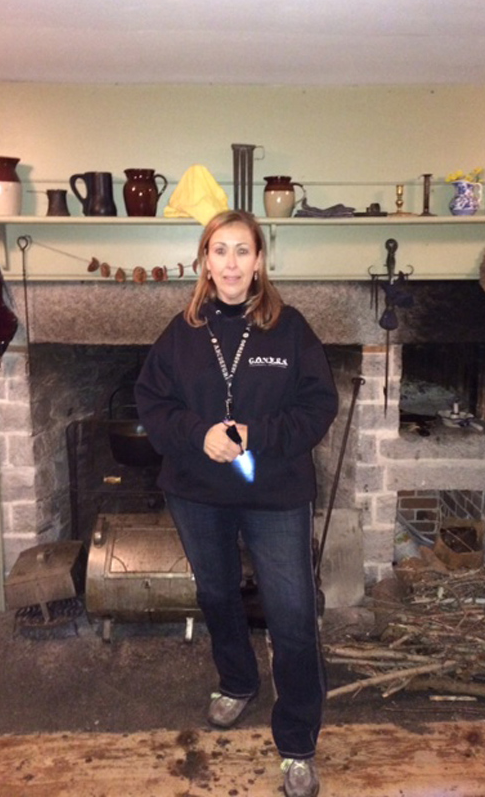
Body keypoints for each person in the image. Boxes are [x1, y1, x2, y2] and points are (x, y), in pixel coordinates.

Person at [135, 209, 338, 797]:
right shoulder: (182, 331)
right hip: (197, 493)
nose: (230, 263)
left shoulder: (290, 329)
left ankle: (297, 744)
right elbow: (151, 403)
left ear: (258, 261)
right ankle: (238, 680)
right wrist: (199, 433)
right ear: (204, 260)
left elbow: (316, 408)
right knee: (217, 593)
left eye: (241, 251)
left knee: (294, 616)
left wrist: (255, 435)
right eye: (219, 251)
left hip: (274, 494)